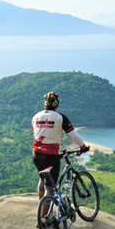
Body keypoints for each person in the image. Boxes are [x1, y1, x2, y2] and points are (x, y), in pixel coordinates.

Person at [32, 91, 89, 220]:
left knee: (42, 179)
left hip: (36, 154)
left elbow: (38, 134)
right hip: (51, 156)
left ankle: (43, 206)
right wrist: (83, 146)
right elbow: (73, 135)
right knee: (50, 188)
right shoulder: (60, 117)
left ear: (44, 103)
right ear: (57, 104)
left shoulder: (36, 116)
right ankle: (44, 217)